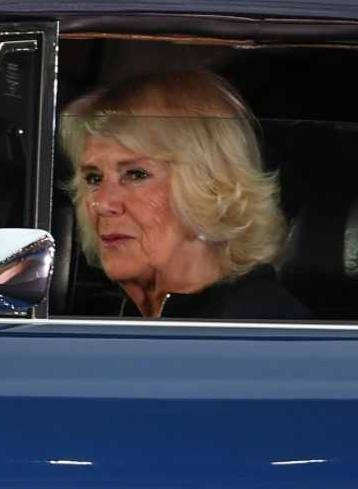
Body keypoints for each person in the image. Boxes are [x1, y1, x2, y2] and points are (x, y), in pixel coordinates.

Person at [60, 69, 312, 320]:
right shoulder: (120, 323)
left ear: (212, 188)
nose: (101, 203)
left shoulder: (258, 328)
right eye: (94, 178)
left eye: (136, 174)